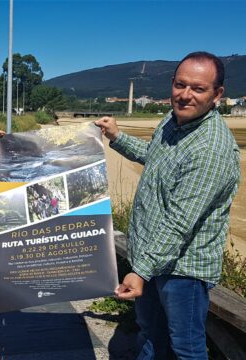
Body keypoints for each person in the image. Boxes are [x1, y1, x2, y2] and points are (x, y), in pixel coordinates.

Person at [95, 51, 240, 359]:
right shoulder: (171, 121)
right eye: (180, 84)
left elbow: (178, 223)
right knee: (150, 334)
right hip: (152, 258)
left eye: (198, 89)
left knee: (186, 348)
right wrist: (117, 136)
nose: (185, 95)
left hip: (183, 270)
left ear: (218, 94)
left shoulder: (210, 148)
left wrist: (140, 272)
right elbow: (156, 157)